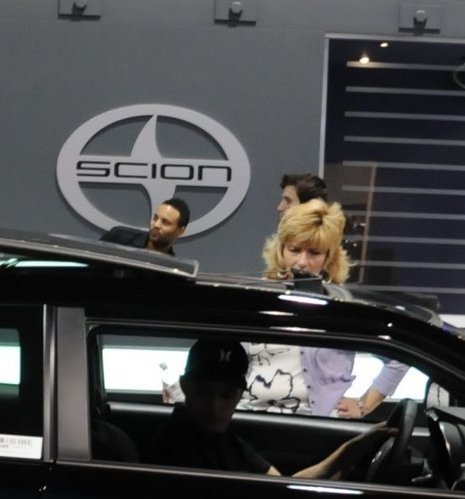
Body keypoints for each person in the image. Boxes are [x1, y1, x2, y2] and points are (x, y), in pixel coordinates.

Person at [240, 199, 412, 420]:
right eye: (294, 250)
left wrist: (364, 405)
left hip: (315, 427)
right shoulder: (256, 298)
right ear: (281, 249)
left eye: (314, 253)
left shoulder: (342, 307)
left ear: (328, 257)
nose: (302, 262)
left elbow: (400, 356)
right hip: (247, 419)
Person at [144, 337, 389, 480]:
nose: (215, 407)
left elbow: (282, 485)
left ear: (240, 394)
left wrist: (359, 445)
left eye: (226, 395)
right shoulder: (176, 447)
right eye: (205, 393)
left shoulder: (225, 441)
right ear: (186, 386)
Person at [107, 196, 191, 256]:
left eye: (165, 222)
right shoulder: (118, 237)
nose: (156, 225)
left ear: (180, 231)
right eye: (155, 218)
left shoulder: (173, 269)